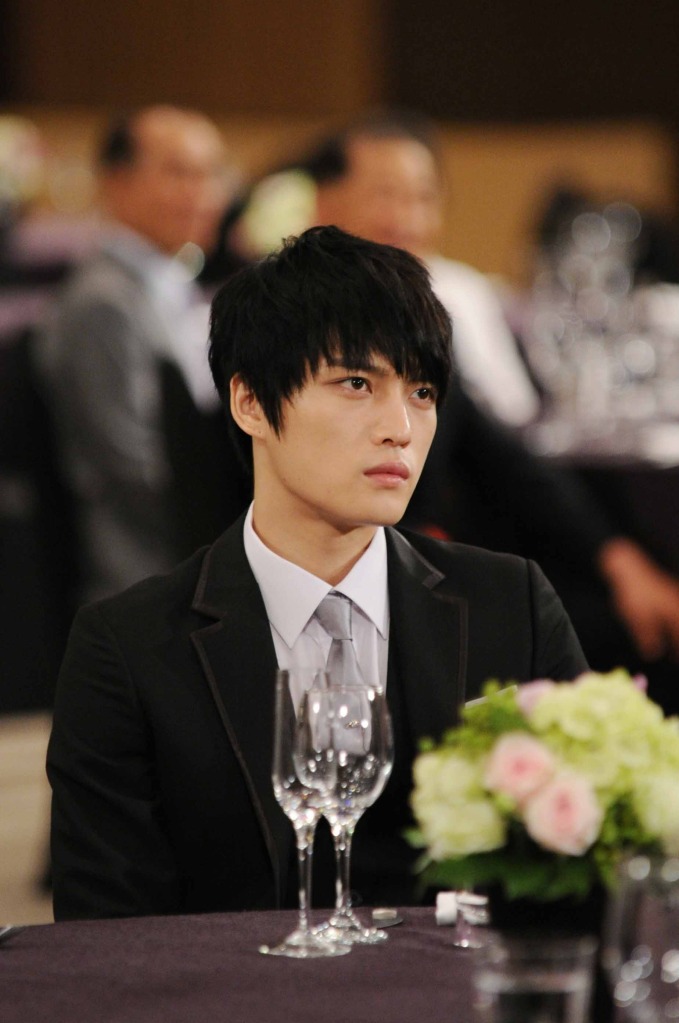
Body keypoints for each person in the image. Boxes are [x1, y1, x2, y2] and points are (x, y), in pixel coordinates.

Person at [47, 226, 587, 921]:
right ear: (250, 402)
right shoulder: (127, 648)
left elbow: (580, 874)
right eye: (356, 383)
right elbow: (105, 934)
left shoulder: (510, 605)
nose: (400, 427)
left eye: (422, 391)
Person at [35, 105, 248, 606]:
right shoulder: (103, 301)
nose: (203, 193)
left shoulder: (168, 284)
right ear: (115, 182)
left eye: (212, 174)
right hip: (139, 580)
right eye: (179, 173)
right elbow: (131, 466)